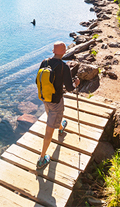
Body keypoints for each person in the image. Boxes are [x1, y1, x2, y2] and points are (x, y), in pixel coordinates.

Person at [36, 41, 80, 170]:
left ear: (53, 51)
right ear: (64, 51)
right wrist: (76, 83)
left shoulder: (44, 62)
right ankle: (42, 158)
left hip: (45, 98)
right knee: (49, 129)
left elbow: (37, 80)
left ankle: (61, 127)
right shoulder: (63, 67)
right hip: (56, 101)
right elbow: (70, 88)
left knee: (52, 116)